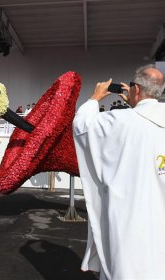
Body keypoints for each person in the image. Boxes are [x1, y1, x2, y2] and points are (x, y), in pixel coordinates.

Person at [73, 64, 165, 280]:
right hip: (159, 215)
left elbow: (83, 126)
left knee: (126, 267)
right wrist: (134, 105)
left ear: (136, 89)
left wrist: (94, 98)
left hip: (128, 219)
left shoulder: (119, 121)